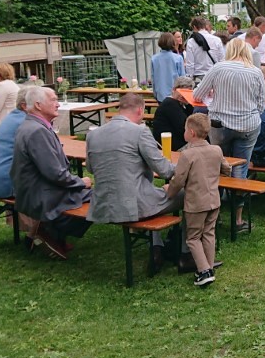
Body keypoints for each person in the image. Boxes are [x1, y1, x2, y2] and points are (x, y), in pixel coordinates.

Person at [192, 37, 265, 233]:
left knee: (217, 166)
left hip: (220, 125)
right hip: (248, 125)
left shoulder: (218, 68)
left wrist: (213, 97)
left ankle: (214, 216)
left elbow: (197, 95)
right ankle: (238, 219)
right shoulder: (255, 72)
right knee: (240, 169)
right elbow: (261, 103)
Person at [10, 85, 93, 258]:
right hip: (41, 195)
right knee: (101, 196)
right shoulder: (37, 131)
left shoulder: (31, 125)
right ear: (38, 105)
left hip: (33, 190)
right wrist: (80, 182)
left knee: (90, 193)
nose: (58, 104)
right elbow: (55, 174)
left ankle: (53, 233)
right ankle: (49, 230)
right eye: (53, 100)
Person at [86, 92, 177, 230]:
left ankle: (160, 240)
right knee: (189, 194)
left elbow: (90, 168)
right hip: (134, 206)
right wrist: (187, 164)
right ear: (140, 110)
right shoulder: (140, 131)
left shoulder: (93, 134)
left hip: (102, 206)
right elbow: (165, 170)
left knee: (160, 191)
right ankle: (186, 240)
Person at [166, 113, 231, 287]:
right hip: (213, 200)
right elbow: (227, 168)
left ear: (192, 133)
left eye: (185, 129)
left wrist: (169, 192)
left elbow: (178, 180)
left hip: (196, 203)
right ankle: (209, 266)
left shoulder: (187, 155)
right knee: (209, 233)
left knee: (193, 237)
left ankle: (204, 271)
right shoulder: (216, 150)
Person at [153, 76, 195, 147]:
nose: (183, 96)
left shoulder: (180, 104)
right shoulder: (170, 104)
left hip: (177, 142)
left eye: (187, 93)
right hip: (171, 146)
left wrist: (188, 102)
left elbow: (192, 117)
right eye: (181, 92)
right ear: (174, 90)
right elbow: (185, 128)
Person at [185, 16, 225, 80]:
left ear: (194, 27)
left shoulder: (191, 42)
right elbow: (222, 60)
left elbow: (190, 64)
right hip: (214, 75)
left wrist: (190, 77)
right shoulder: (217, 40)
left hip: (199, 76)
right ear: (204, 25)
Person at [151, 32, 186, 103]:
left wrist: (155, 93)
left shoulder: (154, 59)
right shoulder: (178, 58)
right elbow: (182, 78)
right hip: (175, 95)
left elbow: (153, 78)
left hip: (160, 95)